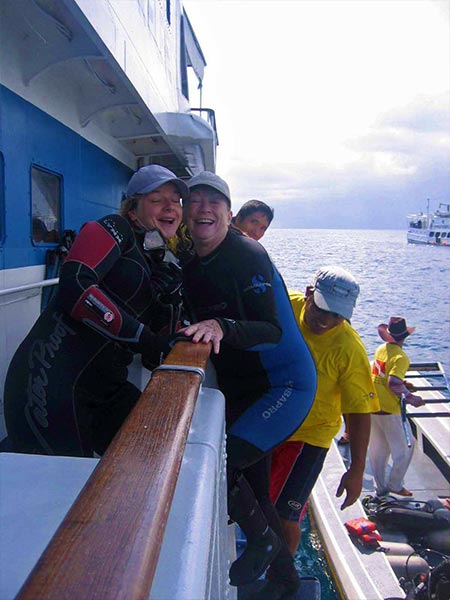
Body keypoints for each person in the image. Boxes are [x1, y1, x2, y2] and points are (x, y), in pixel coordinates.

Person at [180, 171, 317, 598]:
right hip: (243, 388)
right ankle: (285, 581)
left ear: (228, 214)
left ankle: (261, 541)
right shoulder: (192, 259)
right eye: (195, 200)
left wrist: (221, 325)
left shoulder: (247, 254)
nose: (204, 209)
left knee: (223, 465)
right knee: (255, 492)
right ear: (185, 211)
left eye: (214, 202)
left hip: (284, 387)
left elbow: (271, 331)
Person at [4, 164, 188, 457]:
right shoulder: (116, 228)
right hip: (49, 383)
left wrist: (169, 303)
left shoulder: (160, 260)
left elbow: (154, 358)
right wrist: (146, 337)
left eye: (176, 201)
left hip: (105, 389)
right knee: (65, 482)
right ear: (132, 210)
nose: (170, 207)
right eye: (156, 199)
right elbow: (75, 285)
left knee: (157, 446)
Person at [269, 267, 379, 562]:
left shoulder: (349, 349)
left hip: (310, 437)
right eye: (321, 309)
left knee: (286, 516)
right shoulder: (285, 305)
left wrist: (356, 470)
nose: (326, 321)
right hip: (269, 424)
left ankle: (283, 575)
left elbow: (358, 412)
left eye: (337, 315)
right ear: (308, 294)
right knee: (254, 499)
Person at [369, 317, 425, 497]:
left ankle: (380, 487)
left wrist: (404, 384)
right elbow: (393, 382)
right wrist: (411, 397)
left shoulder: (381, 349)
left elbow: (382, 375)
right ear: (405, 337)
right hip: (389, 411)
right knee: (406, 449)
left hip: (373, 406)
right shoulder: (401, 357)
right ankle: (395, 484)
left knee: (378, 450)